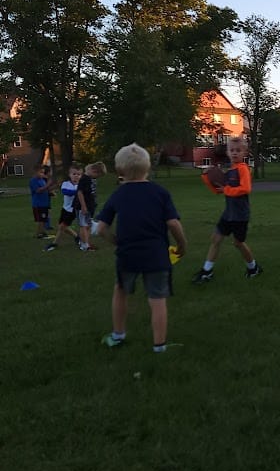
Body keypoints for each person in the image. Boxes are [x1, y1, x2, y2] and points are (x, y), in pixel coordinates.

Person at [95, 143, 187, 352]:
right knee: (157, 299)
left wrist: (115, 241)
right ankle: (159, 346)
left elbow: (101, 229)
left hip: (127, 254)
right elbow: (173, 224)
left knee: (120, 290)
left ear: (119, 171)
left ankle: (118, 335)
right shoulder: (160, 192)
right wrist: (182, 244)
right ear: (147, 169)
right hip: (156, 255)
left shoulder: (118, 195)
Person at [192, 135, 263, 283]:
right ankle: (207, 271)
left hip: (240, 215)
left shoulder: (243, 169)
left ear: (244, 153)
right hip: (228, 214)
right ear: (228, 153)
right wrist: (206, 177)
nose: (235, 153)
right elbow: (219, 190)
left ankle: (253, 267)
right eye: (232, 150)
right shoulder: (230, 170)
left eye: (238, 150)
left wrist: (227, 190)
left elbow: (245, 188)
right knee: (216, 239)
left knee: (238, 243)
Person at [44, 164, 83, 251]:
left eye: (78, 174)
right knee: (62, 227)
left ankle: (54, 243)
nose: (76, 176)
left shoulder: (81, 185)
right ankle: (77, 237)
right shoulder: (66, 184)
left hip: (74, 209)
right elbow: (66, 192)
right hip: (65, 208)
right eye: (74, 174)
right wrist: (78, 192)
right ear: (70, 175)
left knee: (62, 226)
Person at [76, 161, 107, 251]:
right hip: (82, 206)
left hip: (90, 206)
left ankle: (88, 242)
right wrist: (83, 206)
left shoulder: (90, 179)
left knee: (88, 225)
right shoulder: (84, 179)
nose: (97, 177)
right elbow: (80, 192)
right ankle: (84, 245)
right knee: (83, 225)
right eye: (97, 175)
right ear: (94, 171)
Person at [29, 165, 55, 239]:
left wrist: (55, 186)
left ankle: (43, 233)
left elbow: (46, 189)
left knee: (44, 219)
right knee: (41, 219)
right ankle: (39, 234)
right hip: (38, 204)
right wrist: (48, 185)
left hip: (44, 203)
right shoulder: (33, 180)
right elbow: (38, 190)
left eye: (43, 172)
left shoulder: (42, 180)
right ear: (35, 172)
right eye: (41, 172)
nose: (42, 174)